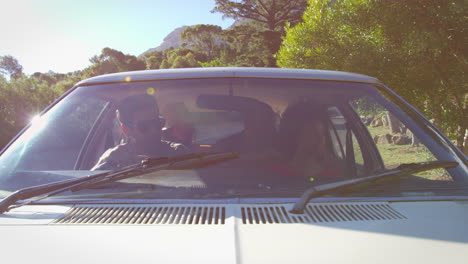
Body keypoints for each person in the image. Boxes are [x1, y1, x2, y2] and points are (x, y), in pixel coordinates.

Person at [92, 94, 188, 170]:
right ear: (126, 130)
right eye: (144, 126)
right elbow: (89, 186)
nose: (154, 130)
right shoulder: (114, 158)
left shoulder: (177, 152)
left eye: (157, 122)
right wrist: (124, 170)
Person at [270, 100, 344, 182]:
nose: (320, 139)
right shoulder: (274, 174)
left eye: (323, 134)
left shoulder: (333, 178)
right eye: (313, 133)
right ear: (294, 134)